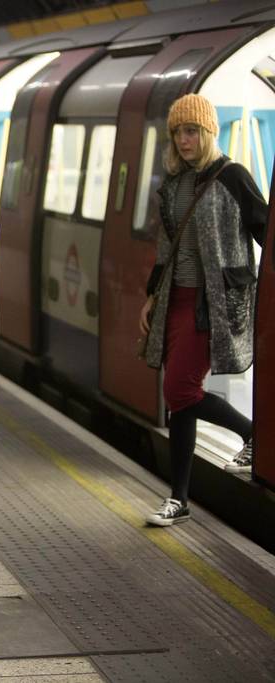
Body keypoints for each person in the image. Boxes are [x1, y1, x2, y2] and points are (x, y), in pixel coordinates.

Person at [140, 93, 265, 527]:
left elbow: (264, 226)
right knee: (179, 402)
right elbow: (165, 248)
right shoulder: (173, 184)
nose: (184, 139)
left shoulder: (233, 177)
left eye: (191, 131)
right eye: (177, 132)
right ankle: (178, 498)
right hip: (176, 298)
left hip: (213, 301)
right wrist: (153, 296)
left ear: (208, 132)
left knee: (179, 390)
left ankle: (253, 432)